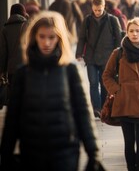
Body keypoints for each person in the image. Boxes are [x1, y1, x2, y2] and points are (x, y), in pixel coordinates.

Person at [0, 11, 102, 170]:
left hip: (65, 152)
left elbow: (83, 113)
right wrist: (5, 154)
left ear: (59, 39)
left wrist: (93, 153)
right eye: (41, 36)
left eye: (51, 37)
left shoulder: (70, 71)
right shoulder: (23, 73)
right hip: (31, 152)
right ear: (34, 37)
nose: (46, 42)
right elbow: (12, 118)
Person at [102, 18, 139, 171]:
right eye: (131, 31)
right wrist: (117, 90)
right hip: (125, 101)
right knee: (129, 141)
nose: (134, 34)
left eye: (138, 30)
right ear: (127, 32)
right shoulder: (119, 52)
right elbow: (107, 75)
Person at [75, 0, 122, 118]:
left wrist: (117, 55)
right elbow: (82, 38)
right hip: (91, 56)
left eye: (99, 10)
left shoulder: (112, 20)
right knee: (93, 83)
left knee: (104, 83)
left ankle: (103, 107)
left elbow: (118, 38)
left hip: (107, 57)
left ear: (104, 7)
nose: (97, 12)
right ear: (92, 7)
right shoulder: (88, 20)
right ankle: (96, 108)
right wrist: (79, 53)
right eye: (95, 10)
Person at [0, 3, 28, 108]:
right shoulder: (28, 25)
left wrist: (2, 70)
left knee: (14, 95)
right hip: (26, 65)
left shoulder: (5, 29)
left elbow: (3, 52)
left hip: (12, 69)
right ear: (23, 13)